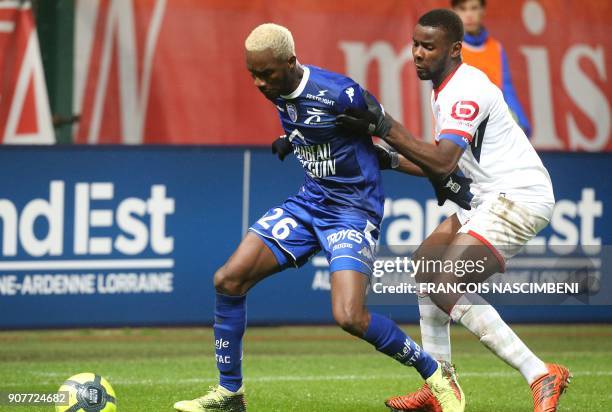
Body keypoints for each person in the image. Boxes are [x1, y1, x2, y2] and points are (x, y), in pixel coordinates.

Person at [173, 23, 468, 412]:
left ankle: (437, 376)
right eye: (252, 74)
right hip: (311, 202)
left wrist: (445, 175)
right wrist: (294, 139)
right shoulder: (278, 88)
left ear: (291, 62)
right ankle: (230, 395)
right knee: (228, 279)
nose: (259, 83)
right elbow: (313, 126)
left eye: (266, 74)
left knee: (349, 316)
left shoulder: (341, 94)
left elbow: (398, 143)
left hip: (352, 211)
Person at [336, 9, 570, 412]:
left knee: (445, 281)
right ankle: (440, 384)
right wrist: (385, 157)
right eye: (415, 44)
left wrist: (383, 125)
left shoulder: (466, 89)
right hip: (489, 195)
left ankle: (539, 373)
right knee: (426, 266)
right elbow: (439, 160)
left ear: (455, 49)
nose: (418, 53)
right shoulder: (444, 88)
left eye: (429, 46)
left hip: (519, 195)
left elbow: (443, 161)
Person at [451, 0, 532, 137]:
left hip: (494, 131)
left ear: (483, 10)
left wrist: (522, 124)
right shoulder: (448, 47)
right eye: (463, 9)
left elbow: (506, 91)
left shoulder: (496, 48)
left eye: (474, 8)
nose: (469, 14)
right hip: (457, 132)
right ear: (454, 11)